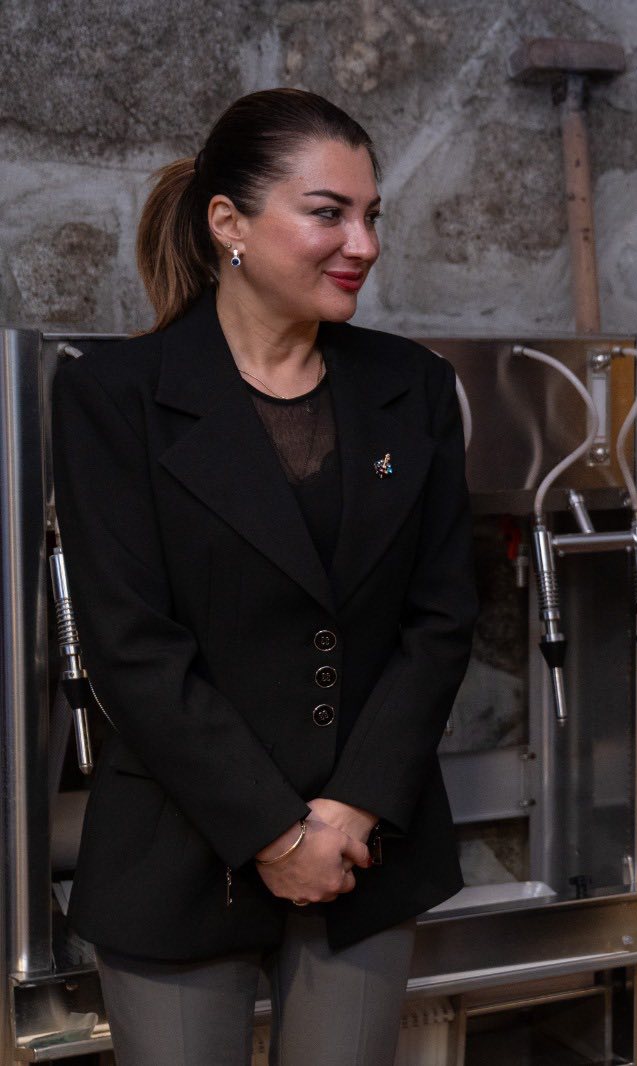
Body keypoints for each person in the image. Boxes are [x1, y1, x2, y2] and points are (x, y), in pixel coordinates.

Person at [51, 88, 478, 1065]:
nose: (363, 244)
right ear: (228, 223)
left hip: (366, 848)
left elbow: (441, 617)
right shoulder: (113, 396)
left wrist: (351, 810)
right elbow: (131, 647)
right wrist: (277, 834)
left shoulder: (413, 388)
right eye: (329, 213)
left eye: (371, 216)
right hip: (178, 848)